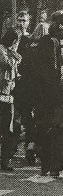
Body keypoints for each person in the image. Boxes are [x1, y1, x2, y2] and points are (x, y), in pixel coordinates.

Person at [33, 11, 63, 177]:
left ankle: (55, 165)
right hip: (46, 90)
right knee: (45, 125)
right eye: (60, 23)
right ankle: (45, 163)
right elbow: (37, 66)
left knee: (59, 125)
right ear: (53, 23)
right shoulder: (44, 41)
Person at [10, 11, 37, 165]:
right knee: (12, 117)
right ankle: (10, 149)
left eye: (24, 20)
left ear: (28, 22)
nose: (21, 23)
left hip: (26, 85)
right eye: (19, 20)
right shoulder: (11, 37)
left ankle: (30, 149)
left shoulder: (30, 39)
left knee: (27, 117)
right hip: (12, 84)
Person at [0, 29, 21, 171]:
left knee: (8, 129)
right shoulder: (2, 50)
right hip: (1, 92)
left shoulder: (11, 52)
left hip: (8, 94)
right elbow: (7, 63)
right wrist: (14, 52)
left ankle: (5, 160)